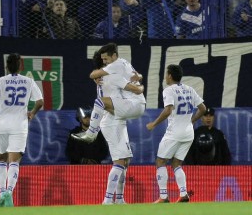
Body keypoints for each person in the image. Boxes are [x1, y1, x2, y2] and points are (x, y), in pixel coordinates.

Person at [73, 43, 146, 204]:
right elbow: (129, 84)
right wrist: (139, 88)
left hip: (117, 118)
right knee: (120, 161)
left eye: (107, 60)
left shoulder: (109, 73)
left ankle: (119, 199)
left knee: (125, 161)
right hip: (110, 121)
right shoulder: (111, 73)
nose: (107, 63)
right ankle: (107, 200)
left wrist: (137, 78)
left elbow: (96, 75)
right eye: (104, 61)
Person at [0, 53, 44, 207]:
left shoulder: (0, 81)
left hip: (2, 124)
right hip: (19, 124)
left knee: (1, 160)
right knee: (14, 161)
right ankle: (9, 193)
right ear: (21, 66)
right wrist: (32, 113)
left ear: (6, 66)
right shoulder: (28, 81)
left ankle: (1, 193)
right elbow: (40, 102)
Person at [146, 64, 206, 203]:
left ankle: (163, 196)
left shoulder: (169, 90)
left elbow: (168, 110)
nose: (165, 77)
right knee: (176, 164)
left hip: (174, 132)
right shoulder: (189, 89)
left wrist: (154, 124)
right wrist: (191, 121)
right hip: (188, 133)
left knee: (160, 161)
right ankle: (184, 194)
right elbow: (203, 108)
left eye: (166, 74)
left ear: (170, 76)